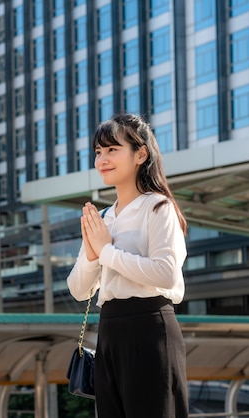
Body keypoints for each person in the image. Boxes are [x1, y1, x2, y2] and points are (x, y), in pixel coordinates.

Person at [66, 113, 188, 418]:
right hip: (108, 328)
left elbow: (166, 272)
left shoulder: (159, 207)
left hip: (150, 326)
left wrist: (105, 250)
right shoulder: (103, 217)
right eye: (98, 152)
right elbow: (78, 290)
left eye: (112, 149)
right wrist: (94, 255)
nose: (102, 159)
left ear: (140, 154)